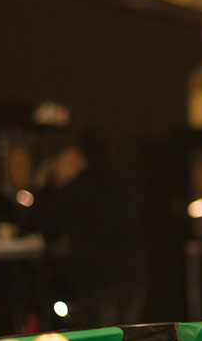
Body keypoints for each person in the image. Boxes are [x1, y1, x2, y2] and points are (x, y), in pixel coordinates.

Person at [24, 131, 146, 328]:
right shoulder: (122, 181)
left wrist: (54, 183)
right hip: (132, 271)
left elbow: (46, 227)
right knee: (129, 338)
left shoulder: (77, 185)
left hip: (98, 277)